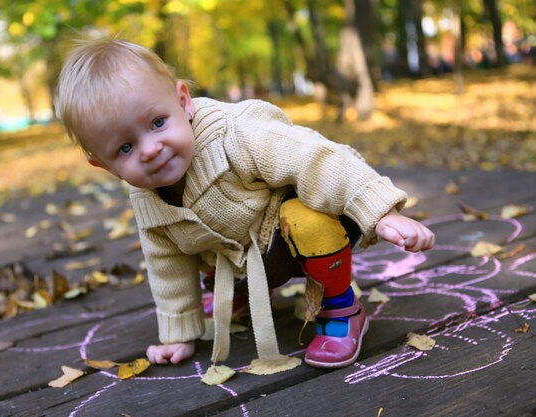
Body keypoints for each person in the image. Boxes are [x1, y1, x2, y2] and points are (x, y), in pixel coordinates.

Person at [56, 37, 435, 374]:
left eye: (157, 122)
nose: (151, 149)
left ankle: (341, 307)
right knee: (191, 239)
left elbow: (314, 159)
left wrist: (378, 208)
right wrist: (177, 332)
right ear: (103, 165)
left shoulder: (238, 134)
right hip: (243, 251)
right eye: (125, 148)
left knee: (305, 218)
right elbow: (165, 262)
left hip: (319, 210)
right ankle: (241, 294)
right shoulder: (147, 197)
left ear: (183, 101)